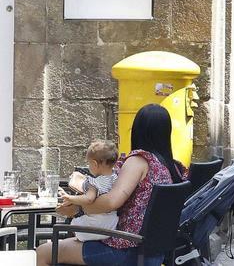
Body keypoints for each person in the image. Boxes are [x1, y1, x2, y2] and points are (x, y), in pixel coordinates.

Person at [37, 104, 186, 266]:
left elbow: (110, 202)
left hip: (126, 249)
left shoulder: (139, 161)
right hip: (150, 251)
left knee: (44, 251)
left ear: (137, 131)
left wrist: (78, 207)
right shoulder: (169, 167)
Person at [62, 140, 120, 243]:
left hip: (96, 225)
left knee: (74, 223)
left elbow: (88, 199)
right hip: (112, 224)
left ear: (94, 164)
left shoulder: (94, 183)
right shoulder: (117, 179)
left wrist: (70, 198)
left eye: (89, 163)